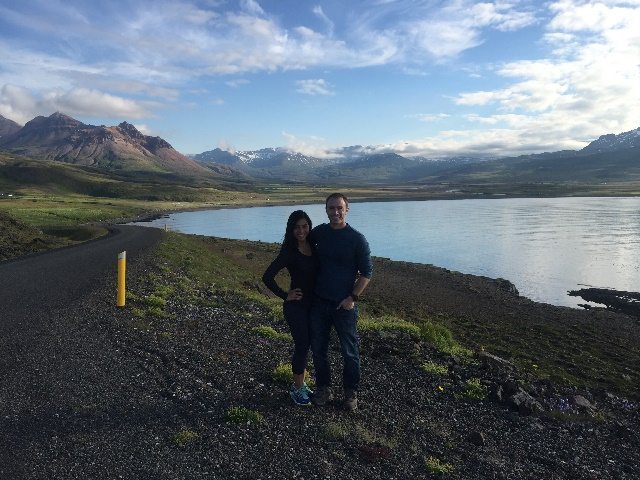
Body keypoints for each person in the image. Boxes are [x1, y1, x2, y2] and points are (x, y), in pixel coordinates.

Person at [309, 193, 372, 411]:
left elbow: (366, 273)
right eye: (331, 208)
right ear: (325, 210)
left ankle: (350, 393)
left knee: (350, 351)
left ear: (347, 209)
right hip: (319, 302)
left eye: (339, 208)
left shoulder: (357, 239)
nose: (335, 212)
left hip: (344, 306)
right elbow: (301, 249)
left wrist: (352, 298)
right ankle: (324, 388)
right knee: (318, 349)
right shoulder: (318, 233)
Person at [262, 210, 317, 406]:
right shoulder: (289, 252)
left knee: (310, 344)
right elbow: (267, 277)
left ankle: (301, 383)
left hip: (313, 305)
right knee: (302, 345)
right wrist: (286, 295)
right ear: (291, 229)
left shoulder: (315, 246)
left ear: (309, 226)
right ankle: (297, 388)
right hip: (296, 307)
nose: (301, 230)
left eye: (304, 226)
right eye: (296, 227)